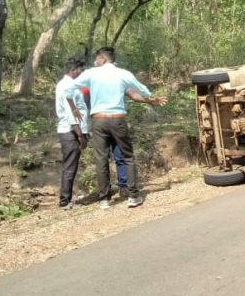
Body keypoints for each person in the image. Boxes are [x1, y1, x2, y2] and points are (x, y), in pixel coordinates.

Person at [65, 47, 167, 209]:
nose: (94, 62)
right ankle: (133, 196)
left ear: (103, 60)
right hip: (117, 119)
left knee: (101, 159)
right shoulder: (122, 74)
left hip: (98, 120)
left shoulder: (91, 74)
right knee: (127, 156)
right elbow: (140, 89)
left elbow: (69, 89)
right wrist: (150, 98)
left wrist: (73, 106)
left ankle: (105, 199)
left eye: (97, 59)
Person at [55, 58, 89, 210]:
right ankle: (65, 201)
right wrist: (80, 135)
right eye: (81, 70)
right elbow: (71, 113)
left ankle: (66, 199)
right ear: (74, 70)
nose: (82, 73)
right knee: (70, 166)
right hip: (70, 132)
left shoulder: (67, 84)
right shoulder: (68, 86)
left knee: (71, 166)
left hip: (71, 130)